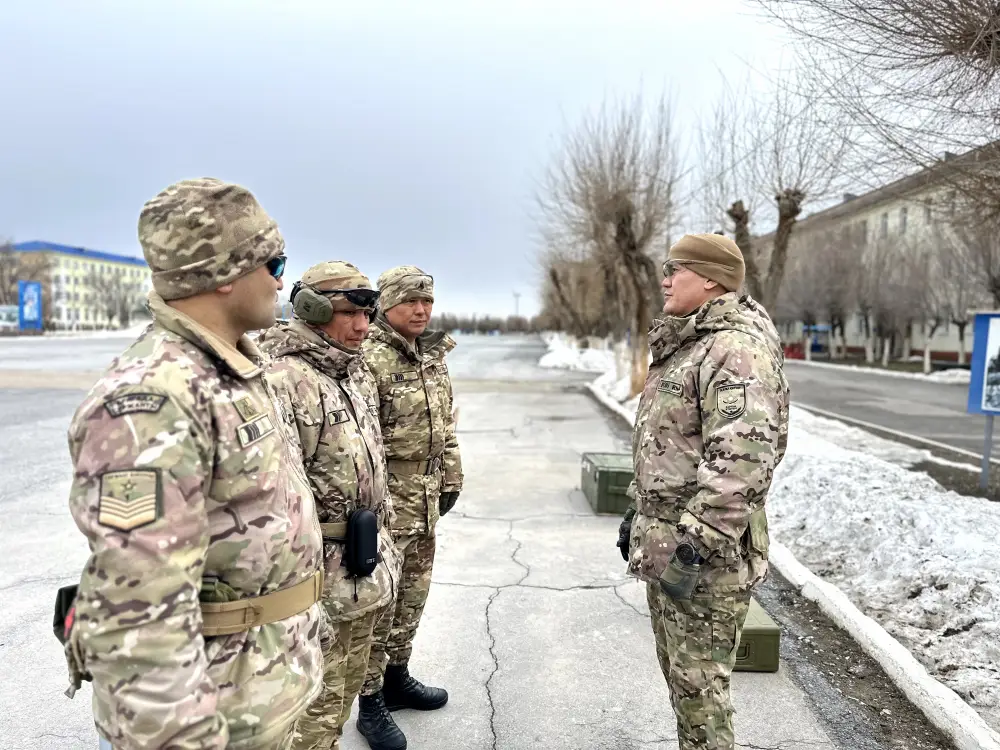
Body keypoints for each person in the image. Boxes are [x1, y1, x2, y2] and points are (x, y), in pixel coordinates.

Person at [59, 177, 327, 749]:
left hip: (263, 688)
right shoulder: (153, 400)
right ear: (226, 274)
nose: (282, 279)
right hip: (215, 719)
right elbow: (139, 618)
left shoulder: (231, 370)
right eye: (274, 261)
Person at [616, 233, 790, 750]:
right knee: (682, 681)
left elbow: (743, 460)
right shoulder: (693, 344)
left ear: (711, 279)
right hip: (671, 541)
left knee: (701, 694)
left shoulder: (734, 350)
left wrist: (694, 544)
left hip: (704, 557)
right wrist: (638, 511)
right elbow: (668, 444)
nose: (664, 279)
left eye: (676, 268)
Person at [258, 262, 401, 750]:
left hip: (363, 569)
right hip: (317, 580)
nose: (363, 327)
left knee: (340, 696)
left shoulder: (352, 371)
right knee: (311, 712)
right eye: (349, 314)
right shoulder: (283, 379)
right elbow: (280, 500)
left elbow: (373, 459)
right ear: (312, 310)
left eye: (369, 314)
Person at [356, 265, 462, 750]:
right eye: (411, 302)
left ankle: (397, 676)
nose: (422, 311)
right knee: (379, 601)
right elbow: (358, 440)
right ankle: (370, 699)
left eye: (428, 302)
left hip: (425, 495)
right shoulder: (367, 357)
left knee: (413, 596)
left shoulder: (433, 355)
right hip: (385, 501)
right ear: (385, 304)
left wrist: (452, 478)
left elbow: (448, 425)